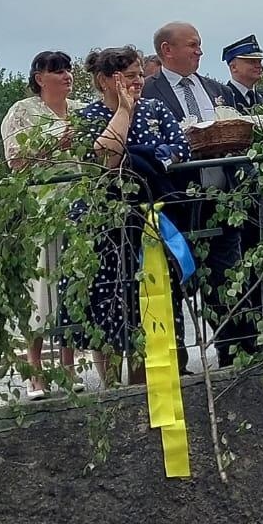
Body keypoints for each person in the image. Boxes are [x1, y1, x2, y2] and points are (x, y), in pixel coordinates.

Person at [143, 21, 259, 366]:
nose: (199, 51)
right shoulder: (149, 92)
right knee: (174, 281)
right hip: (176, 203)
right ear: (167, 50)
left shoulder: (215, 88)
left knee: (228, 276)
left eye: (199, 45)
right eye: (192, 45)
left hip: (220, 199)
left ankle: (238, 352)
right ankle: (175, 359)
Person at [74, 46, 191, 385]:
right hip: (107, 222)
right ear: (104, 80)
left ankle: (148, 382)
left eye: (140, 74)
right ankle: (111, 386)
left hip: (151, 215)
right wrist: (124, 111)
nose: (138, 81)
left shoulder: (155, 108)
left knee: (152, 302)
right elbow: (105, 159)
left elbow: (179, 147)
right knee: (110, 301)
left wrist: (141, 155)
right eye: (128, 76)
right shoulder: (89, 116)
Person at [0, 50, 83, 397]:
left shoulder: (80, 111)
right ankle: (35, 373)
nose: (66, 76)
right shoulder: (22, 112)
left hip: (79, 205)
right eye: (58, 71)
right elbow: (15, 162)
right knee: (40, 289)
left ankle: (68, 368)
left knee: (72, 287)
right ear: (39, 78)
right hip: (40, 210)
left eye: (68, 70)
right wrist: (53, 144)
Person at [221, 35, 263, 113]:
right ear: (233, 67)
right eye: (252, 61)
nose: (259, 66)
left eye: (259, 61)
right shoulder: (223, 100)